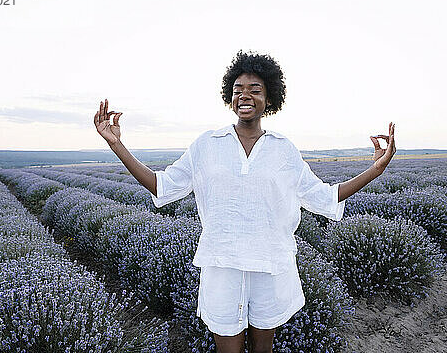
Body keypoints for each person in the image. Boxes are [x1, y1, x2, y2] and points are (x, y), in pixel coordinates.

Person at [94, 50, 396, 353]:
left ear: (270, 99)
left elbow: (324, 196)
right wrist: (117, 144)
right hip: (222, 265)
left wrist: (375, 169)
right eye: (238, 90)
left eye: (255, 90)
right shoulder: (207, 145)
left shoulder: (283, 150)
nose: (245, 96)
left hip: (270, 266)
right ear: (230, 96)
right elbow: (161, 185)